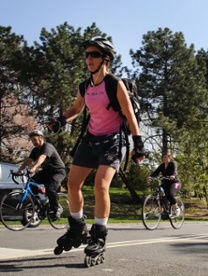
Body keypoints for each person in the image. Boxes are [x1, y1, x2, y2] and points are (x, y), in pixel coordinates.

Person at [48, 36, 145, 258]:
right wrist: (60, 120)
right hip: (91, 140)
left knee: (101, 185)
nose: (89, 59)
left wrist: (137, 144)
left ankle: (99, 234)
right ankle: (77, 226)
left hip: (113, 141)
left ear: (106, 59)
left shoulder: (114, 83)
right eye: (87, 55)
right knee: (72, 185)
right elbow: (75, 109)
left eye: (95, 55)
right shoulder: (85, 86)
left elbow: (130, 115)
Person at [15, 130, 66, 220]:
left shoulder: (47, 146)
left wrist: (34, 168)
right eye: (32, 141)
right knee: (31, 184)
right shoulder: (35, 150)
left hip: (58, 171)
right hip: (47, 172)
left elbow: (42, 157)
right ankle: (42, 204)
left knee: (50, 189)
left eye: (35, 140)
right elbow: (29, 160)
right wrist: (19, 170)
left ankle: (56, 209)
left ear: (41, 138)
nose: (33, 142)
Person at [150, 152, 182, 218]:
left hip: (175, 183)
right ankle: (162, 211)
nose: (164, 158)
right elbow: (156, 172)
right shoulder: (162, 165)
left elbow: (175, 172)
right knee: (159, 193)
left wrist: (173, 175)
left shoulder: (173, 163)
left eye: (166, 157)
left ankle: (176, 208)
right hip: (166, 184)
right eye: (163, 157)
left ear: (169, 157)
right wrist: (150, 176)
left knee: (170, 194)